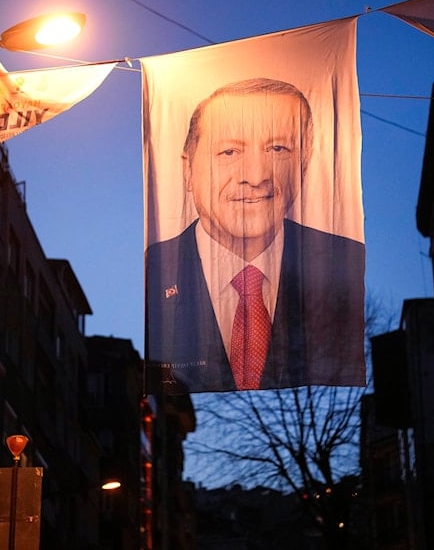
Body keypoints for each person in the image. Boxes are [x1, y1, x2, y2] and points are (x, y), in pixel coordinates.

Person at [145, 77, 366, 394]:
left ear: (303, 164)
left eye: (278, 148)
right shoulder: (152, 270)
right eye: (229, 151)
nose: (256, 176)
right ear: (188, 170)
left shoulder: (344, 264)